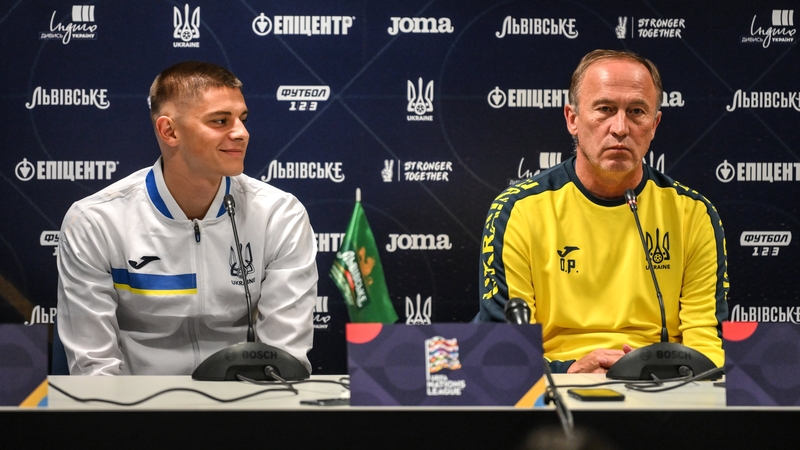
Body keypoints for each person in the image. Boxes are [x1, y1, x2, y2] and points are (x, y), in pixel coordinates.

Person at [57, 61, 318, 375]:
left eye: (242, 119)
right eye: (220, 121)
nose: (242, 133)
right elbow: (94, 370)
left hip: (244, 407)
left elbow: (283, 359)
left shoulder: (279, 215)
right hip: (136, 411)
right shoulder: (95, 221)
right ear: (169, 131)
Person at [478, 49, 728, 373]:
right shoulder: (517, 212)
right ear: (572, 118)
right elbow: (504, 352)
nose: (620, 127)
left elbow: (707, 346)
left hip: (663, 388)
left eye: (637, 111)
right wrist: (567, 371)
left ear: (655, 124)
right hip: (556, 389)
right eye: (605, 109)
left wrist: (651, 371)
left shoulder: (694, 216)